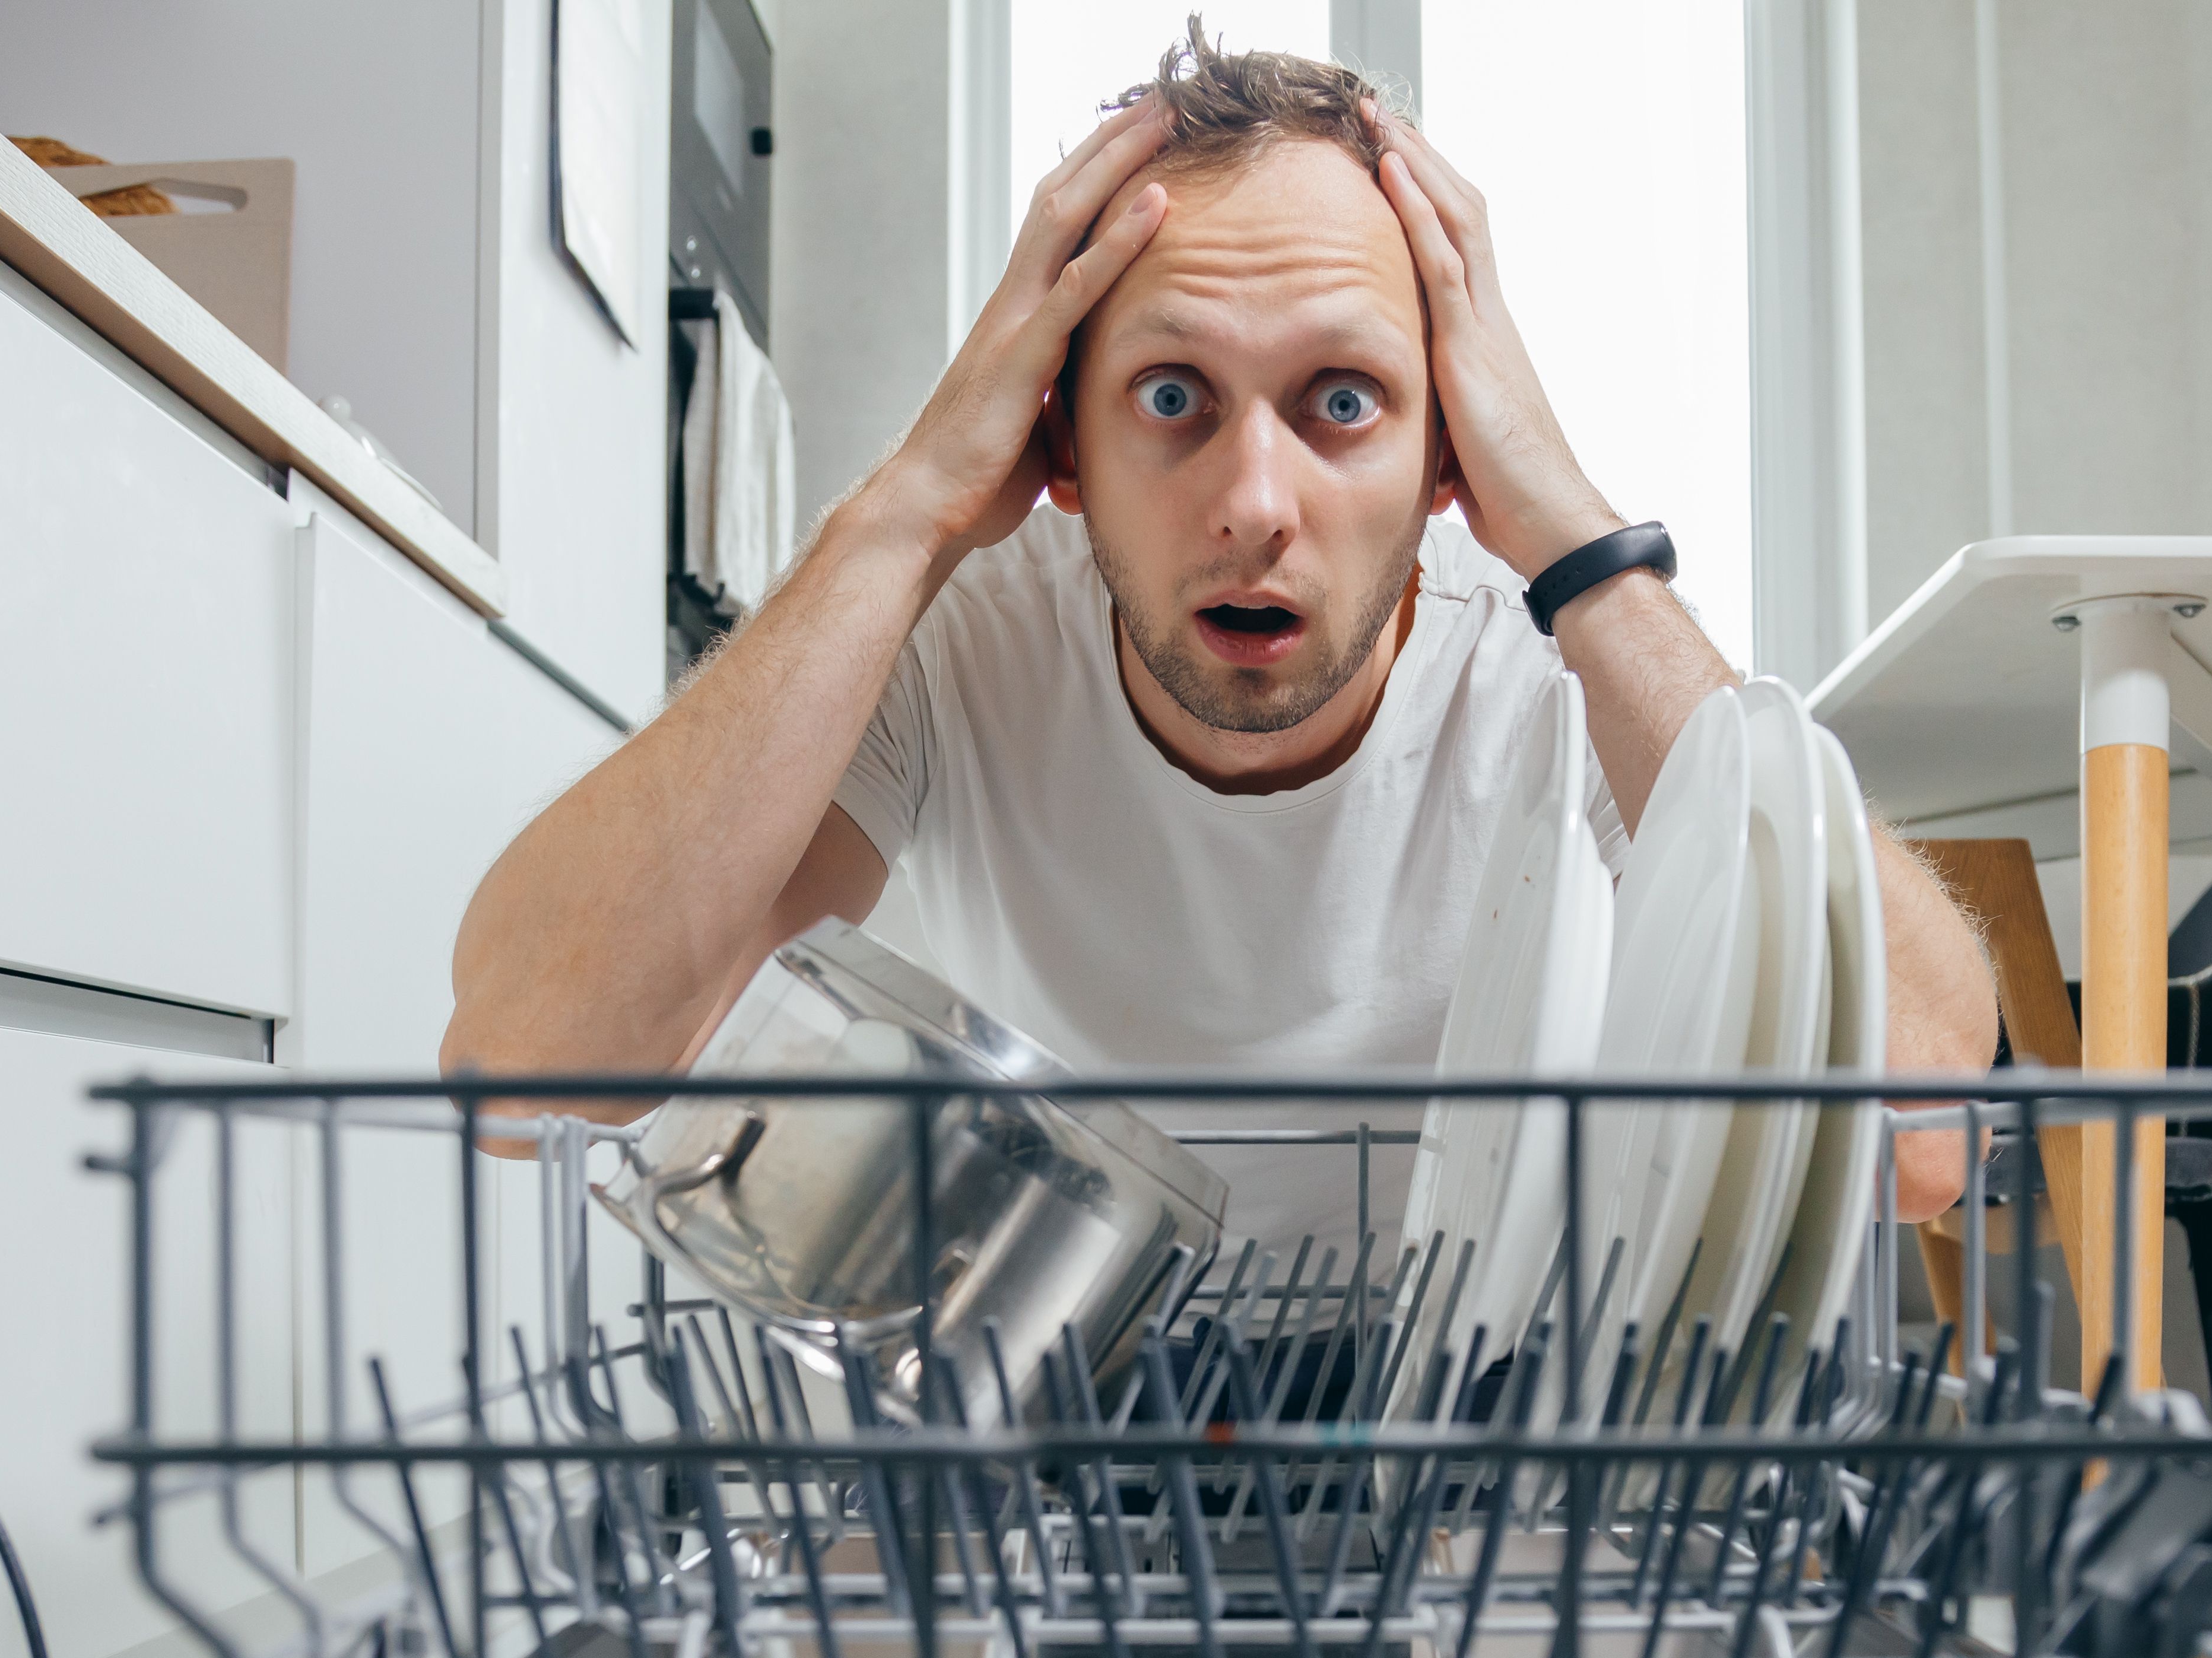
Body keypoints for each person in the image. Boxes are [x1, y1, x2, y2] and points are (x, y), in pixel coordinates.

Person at [445, 29, 1995, 1246]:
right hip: (1029, 1426)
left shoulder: (1553, 675)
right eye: (1173, 398)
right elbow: (532, 1067)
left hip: (1475, 1430)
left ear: (1446, 454)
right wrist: (906, 505)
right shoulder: (959, 644)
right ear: (1061, 452)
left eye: (1343, 403)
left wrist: (1578, 544)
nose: (1255, 503)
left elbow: (1921, 1133)